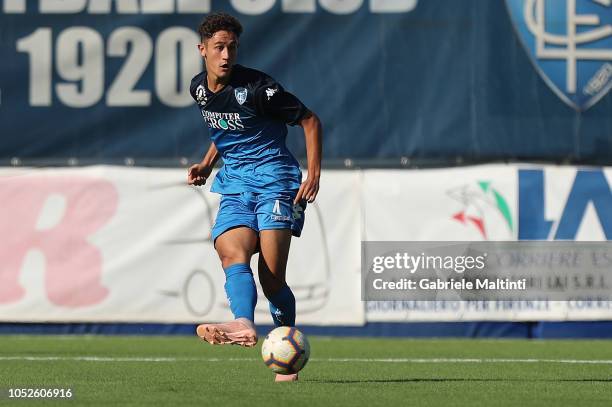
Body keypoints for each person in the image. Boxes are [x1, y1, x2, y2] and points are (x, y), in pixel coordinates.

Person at [187, 13, 322, 382]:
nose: (226, 54)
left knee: (272, 277)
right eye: (219, 47)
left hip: (276, 181)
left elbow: (309, 121)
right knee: (230, 251)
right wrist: (206, 163)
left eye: (232, 46)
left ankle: (288, 355)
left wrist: (313, 174)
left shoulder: (260, 88)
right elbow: (222, 128)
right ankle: (242, 323)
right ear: (203, 50)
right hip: (234, 184)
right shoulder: (199, 89)